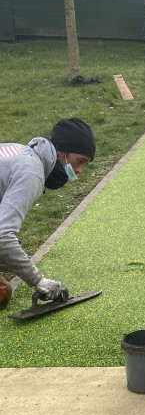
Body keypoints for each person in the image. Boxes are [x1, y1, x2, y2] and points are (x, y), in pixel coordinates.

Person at [0, 118, 96, 310]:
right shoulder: (32, 173)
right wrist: (37, 280)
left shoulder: (22, 153)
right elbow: (2, 236)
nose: (78, 170)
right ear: (61, 152)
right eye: (80, 161)